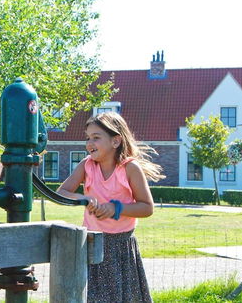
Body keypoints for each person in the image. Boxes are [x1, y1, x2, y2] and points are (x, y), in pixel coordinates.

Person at [57, 111, 164, 303]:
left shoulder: (130, 169)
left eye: (96, 138)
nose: (89, 143)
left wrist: (117, 208)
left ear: (116, 141)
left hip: (120, 247)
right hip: (91, 243)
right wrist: (83, 199)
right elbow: (62, 192)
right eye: (88, 138)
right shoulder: (86, 166)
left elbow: (147, 207)